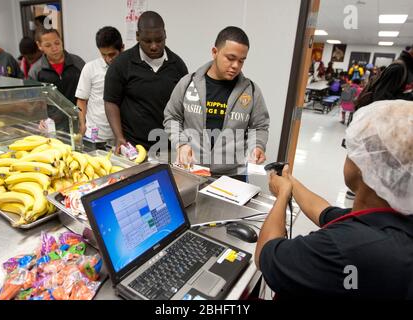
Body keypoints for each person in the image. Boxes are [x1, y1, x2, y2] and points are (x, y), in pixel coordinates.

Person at [255, 100, 413, 299]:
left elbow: (264, 255)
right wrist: (290, 182)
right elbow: (324, 212)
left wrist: (282, 197)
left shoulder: (346, 247)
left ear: (366, 164)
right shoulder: (390, 217)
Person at [164, 26, 269, 180]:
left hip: (232, 175)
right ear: (215, 52)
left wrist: (258, 146)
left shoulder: (251, 91)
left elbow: (260, 126)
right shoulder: (188, 83)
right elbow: (172, 117)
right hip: (191, 169)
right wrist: (181, 143)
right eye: (230, 58)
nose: (236, 66)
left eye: (241, 61)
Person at [104, 11, 188, 153]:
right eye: (147, 41)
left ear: (165, 34)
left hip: (167, 147)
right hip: (134, 147)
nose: (154, 46)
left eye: (159, 40)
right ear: (137, 36)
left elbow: (183, 107)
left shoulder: (177, 65)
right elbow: (111, 102)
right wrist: (119, 137)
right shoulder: (121, 64)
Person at [29, 28, 85, 131]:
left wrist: (84, 119)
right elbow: (34, 101)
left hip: (79, 121)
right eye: (48, 45)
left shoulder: (78, 63)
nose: (54, 48)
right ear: (39, 46)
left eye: (57, 43)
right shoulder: (36, 71)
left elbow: (87, 93)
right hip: (52, 124)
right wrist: (39, 119)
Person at [75, 26, 124, 142]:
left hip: (121, 135)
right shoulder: (90, 68)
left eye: (112, 54)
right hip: (94, 135)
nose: (107, 59)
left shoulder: (129, 69)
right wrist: (82, 126)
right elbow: (81, 100)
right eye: (103, 54)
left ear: (122, 48)